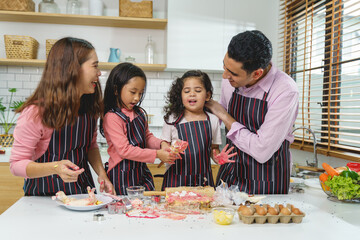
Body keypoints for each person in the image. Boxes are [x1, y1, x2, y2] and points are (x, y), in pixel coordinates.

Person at [9, 37, 114, 196]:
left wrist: (102, 174)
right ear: (73, 69)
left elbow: (90, 146)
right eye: (95, 66)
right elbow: (16, 165)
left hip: (83, 196)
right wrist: (55, 168)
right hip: (43, 200)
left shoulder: (88, 107)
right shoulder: (36, 113)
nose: (99, 73)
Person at [206, 30, 299, 194]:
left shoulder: (285, 91)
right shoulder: (230, 78)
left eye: (233, 73)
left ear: (257, 73)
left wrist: (225, 117)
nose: (225, 75)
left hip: (266, 180)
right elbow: (219, 112)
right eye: (224, 66)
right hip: (230, 173)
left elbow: (261, 150)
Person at [100, 63, 178, 195]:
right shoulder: (112, 117)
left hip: (141, 172)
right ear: (116, 89)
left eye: (140, 93)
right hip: (121, 175)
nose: (137, 98)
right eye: (133, 92)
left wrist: (162, 144)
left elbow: (147, 137)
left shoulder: (139, 113)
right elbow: (125, 150)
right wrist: (157, 154)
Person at [161, 70, 236, 190]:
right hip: (175, 180)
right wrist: (167, 151)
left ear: (207, 95)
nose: (192, 94)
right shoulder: (172, 118)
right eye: (187, 91)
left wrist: (217, 158)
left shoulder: (213, 120)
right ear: (180, 95)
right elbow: (164, 142)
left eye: (198, 90)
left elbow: (214, 148)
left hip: (203, 181)